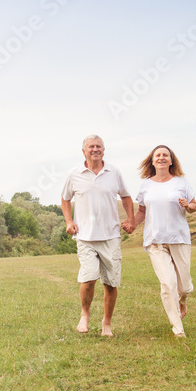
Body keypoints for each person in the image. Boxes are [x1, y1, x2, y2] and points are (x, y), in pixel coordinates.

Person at [61, 135, 135, 337]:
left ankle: (107, 324)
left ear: (104, 150)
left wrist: (131, 219)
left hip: (110, 235)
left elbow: (126, 197)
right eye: (91, 146)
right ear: (83, 151)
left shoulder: (114, 172)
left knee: (111, 283)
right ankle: (84, 315)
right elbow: (65, 199)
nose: (95, 149)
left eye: (99, 146)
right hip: (85, 236)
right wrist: (69, 221)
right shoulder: (74, 174)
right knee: (89, 278)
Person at [132, 145, 196, 338]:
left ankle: (182, 300)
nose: (161, 158)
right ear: (152, 161)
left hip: (179, 239)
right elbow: (142, 212)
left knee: (183, 287)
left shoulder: (181, 182)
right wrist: (131, 224)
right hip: (155, 240)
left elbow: (194, 206)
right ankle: (178, 329)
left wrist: (189, 205)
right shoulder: (146, 185)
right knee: (168, 284)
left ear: (171, 160)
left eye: (165, 155)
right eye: (157, 155)